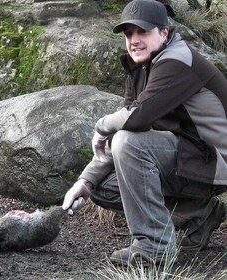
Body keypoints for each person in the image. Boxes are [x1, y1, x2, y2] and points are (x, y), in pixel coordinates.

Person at [62, 0, 227, 267]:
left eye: (143, 32)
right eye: (129, 34)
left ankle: (155, 247)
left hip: (215, 161)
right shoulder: (143, 67)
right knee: (104, 188)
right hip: (190, 156)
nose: (134, 41)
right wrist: (86, 181)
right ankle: (198, 214)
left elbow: (136, 119)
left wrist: (100, 126)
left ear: (165, 32)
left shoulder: (177, 61)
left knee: (130, 143)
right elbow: (127, 121)